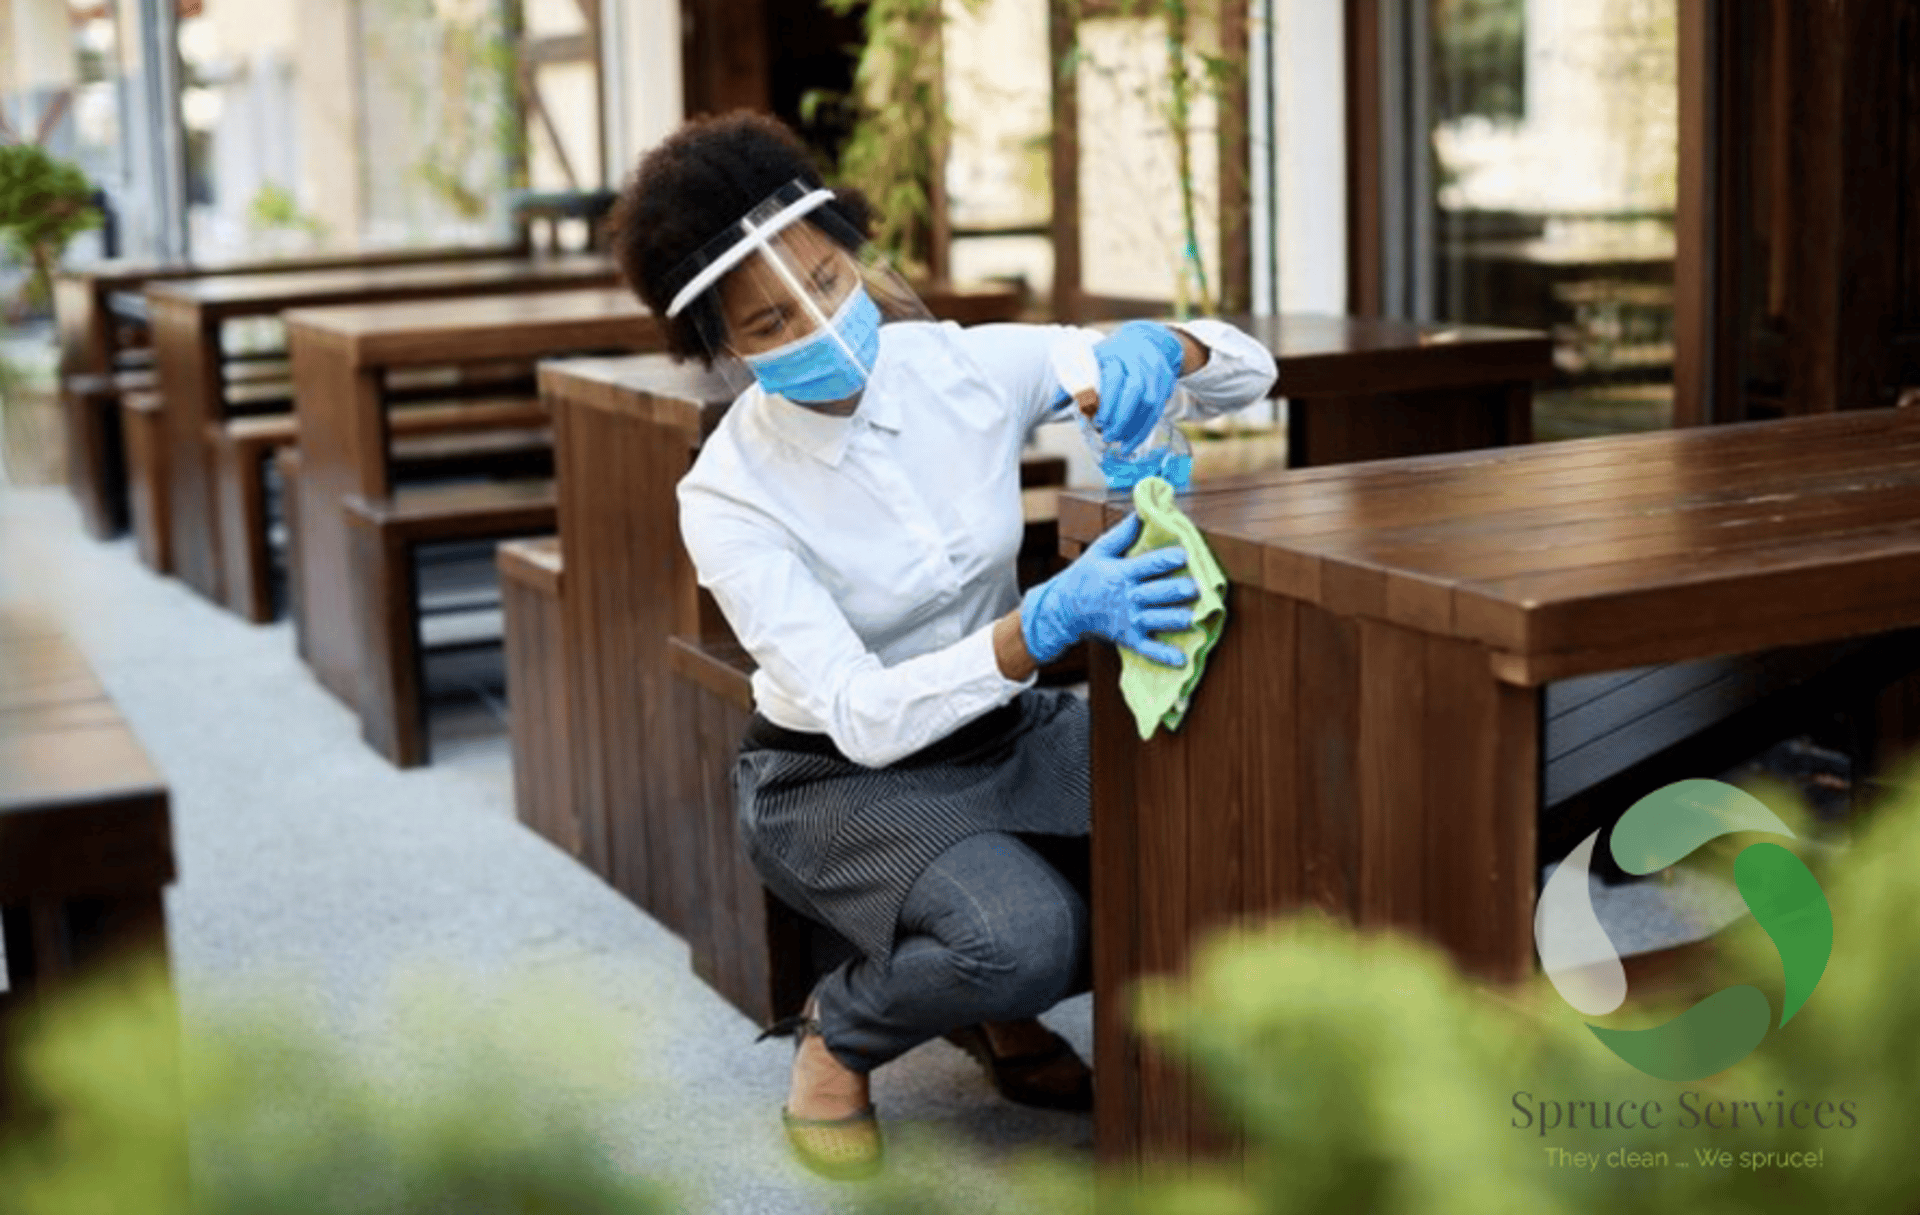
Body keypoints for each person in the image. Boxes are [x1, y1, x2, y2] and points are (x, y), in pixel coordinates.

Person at [607, 112, 1277, 1180]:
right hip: (838, 780)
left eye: (828, 283)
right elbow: (863, 716)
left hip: (1004, 731)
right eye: (772, 320)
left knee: (1225, 831)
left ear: (855, 253)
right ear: (722, 350)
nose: (821, 327)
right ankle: (843, 1031)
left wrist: (1167, 347)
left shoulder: (954, 368)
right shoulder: (728, 497)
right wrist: (1039, 628)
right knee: (1021, 939)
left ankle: (996, 1005)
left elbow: (1251, 372)